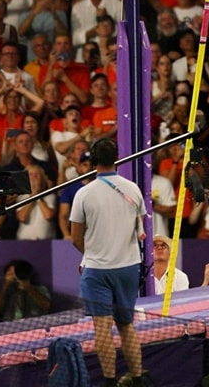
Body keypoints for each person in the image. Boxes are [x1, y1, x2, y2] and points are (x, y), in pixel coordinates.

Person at [70, 138, 146, 387]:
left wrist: (90, 254)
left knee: (102, 328)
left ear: (91, 161)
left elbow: (75, 238)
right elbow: (139, 228)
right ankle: (137, 378)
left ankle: (110, 382)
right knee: (126, 326)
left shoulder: (84, 193)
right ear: (116, 158)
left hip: (98, 270)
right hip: (128, 268)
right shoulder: (133, 189)